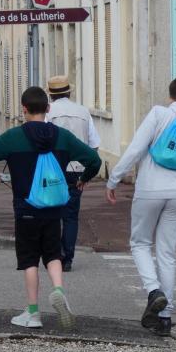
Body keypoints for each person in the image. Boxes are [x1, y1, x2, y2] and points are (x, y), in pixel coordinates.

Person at [0, 87, 101, 329]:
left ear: (23, 109)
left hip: (26, 208)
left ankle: (32, 314)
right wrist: (84, 178)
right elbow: (93, 160)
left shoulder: (13, 138)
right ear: (48, 109)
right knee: (53, 254)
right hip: (54, 208)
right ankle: (59, 290)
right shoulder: (62, 137)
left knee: (30, 259)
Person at [105, 78, 176, 337]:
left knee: (140, 243)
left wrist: (114, 179)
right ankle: (165, 319)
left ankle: (154, 291)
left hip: (149, 190)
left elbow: (135, 150)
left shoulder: (158, 114)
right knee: (167, 254)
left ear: (171, 96)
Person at [45, 75, 101, 272]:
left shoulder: (48, 113)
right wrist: (86, 175)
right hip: (76, 171)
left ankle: (54, 255)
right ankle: (67, 258)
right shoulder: (83, 112)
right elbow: (94, 144)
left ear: (50, 95)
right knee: (71, 216)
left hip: (53, 169)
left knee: (51, 213)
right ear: (69, 91)